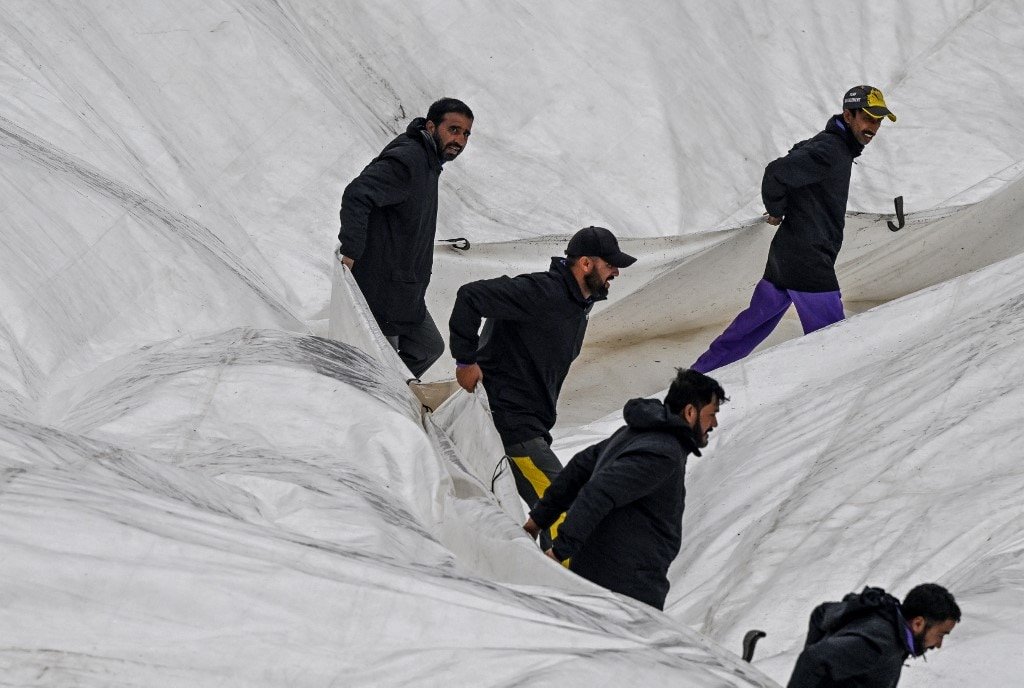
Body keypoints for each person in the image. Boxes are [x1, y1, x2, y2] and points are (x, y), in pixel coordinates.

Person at [449, 226, 636, 546]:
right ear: (586, 263)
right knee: (565, 513)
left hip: (531, 424)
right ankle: (561, 574)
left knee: (558, 511)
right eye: (610, 265)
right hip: (511, 425)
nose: (616, 272)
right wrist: (465, 361)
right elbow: (471, 296)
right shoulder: (542, 291)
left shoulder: (579, 303)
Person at [692, 85, 897, 373]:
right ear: (848, 115)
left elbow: (795, 164)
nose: (873, 128)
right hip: (808, 261)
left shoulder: (831, 146)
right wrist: (777, 209)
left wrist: (786, 206)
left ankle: (695, 378)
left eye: (878, 121)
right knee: (835, 344)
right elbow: (777, 172)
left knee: (749, 328)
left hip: (786, 255)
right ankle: (841, 394)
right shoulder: (831, 150)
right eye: (867, 118)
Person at [523, 369, 725, 610]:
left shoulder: (634, 434)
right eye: (711, 414)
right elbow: (599, 491)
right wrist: (558, 552)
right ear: (690, 412)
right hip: (624, 590)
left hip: (602, 578)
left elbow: (579, 467)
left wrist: (537, 521)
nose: (714, 424)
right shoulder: (664, 453)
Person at [338, 97, 474, 379]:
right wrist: (351, 250)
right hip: (382, 291)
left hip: (406, 293)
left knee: (428, 347)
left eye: (465, 134)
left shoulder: (429, 161)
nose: (460, 140)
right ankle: (378, 395)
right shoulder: (409, 160)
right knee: (381, 371)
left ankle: (394, 389)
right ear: (431, 126)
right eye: (454, 130)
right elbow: (357, 194)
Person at [787, 583, 960, 688]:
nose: (939, 644)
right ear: (918, 624)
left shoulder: (884, 616)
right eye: (941, 635)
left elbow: (821, 614)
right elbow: (813, 659)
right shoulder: (881, 644)